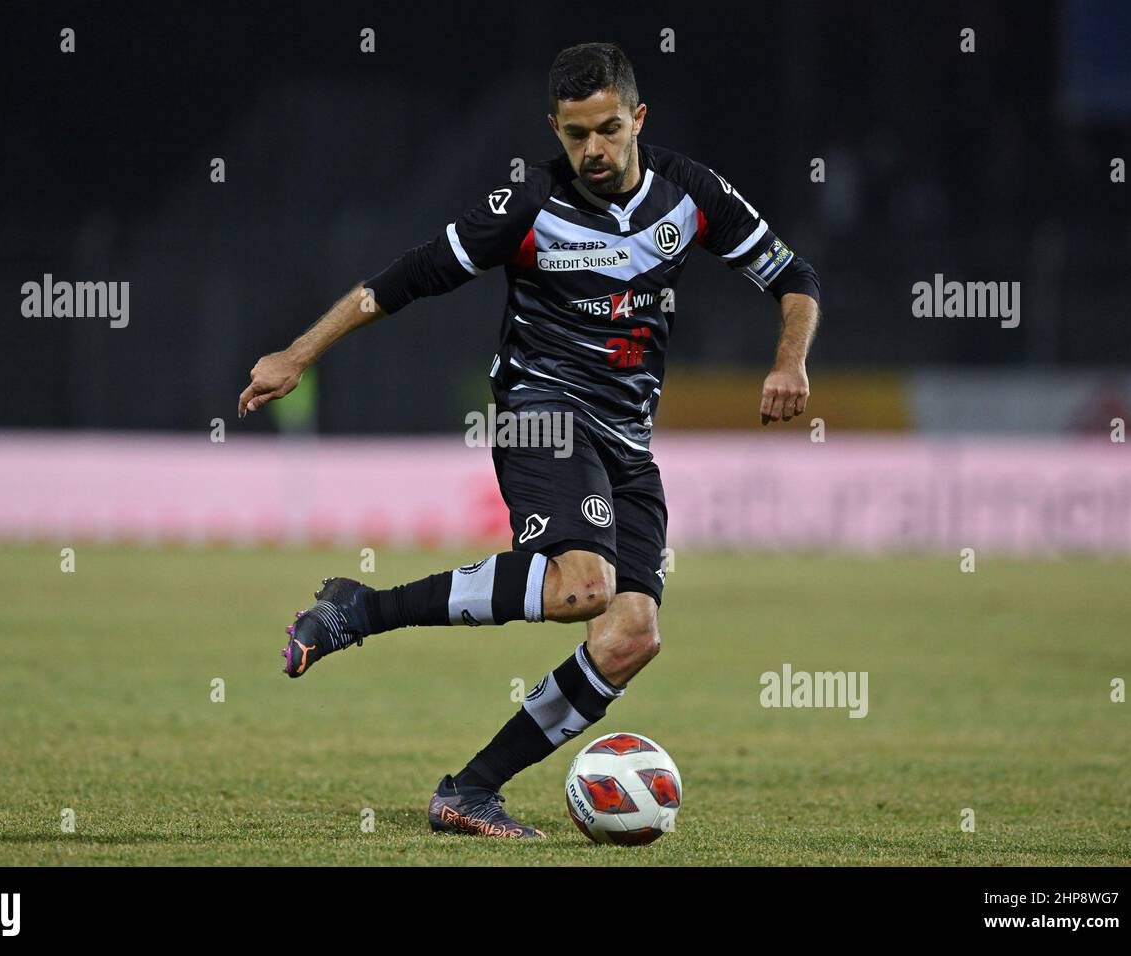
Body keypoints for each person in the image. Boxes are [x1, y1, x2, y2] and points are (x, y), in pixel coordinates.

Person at [238, 42, 821, 838]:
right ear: (556, 128)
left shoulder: (692, 195)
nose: (595, 151)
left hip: (626, 441)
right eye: (577, 135)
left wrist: (790, 362)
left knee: (628, 636)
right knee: (580, 586)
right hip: (538, 409)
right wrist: (296, 355)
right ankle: (363, 612)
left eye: (609, 130)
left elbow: (795, 278)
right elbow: (402, 279)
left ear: (637, 118)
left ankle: (469, 790)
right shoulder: (527, 207)